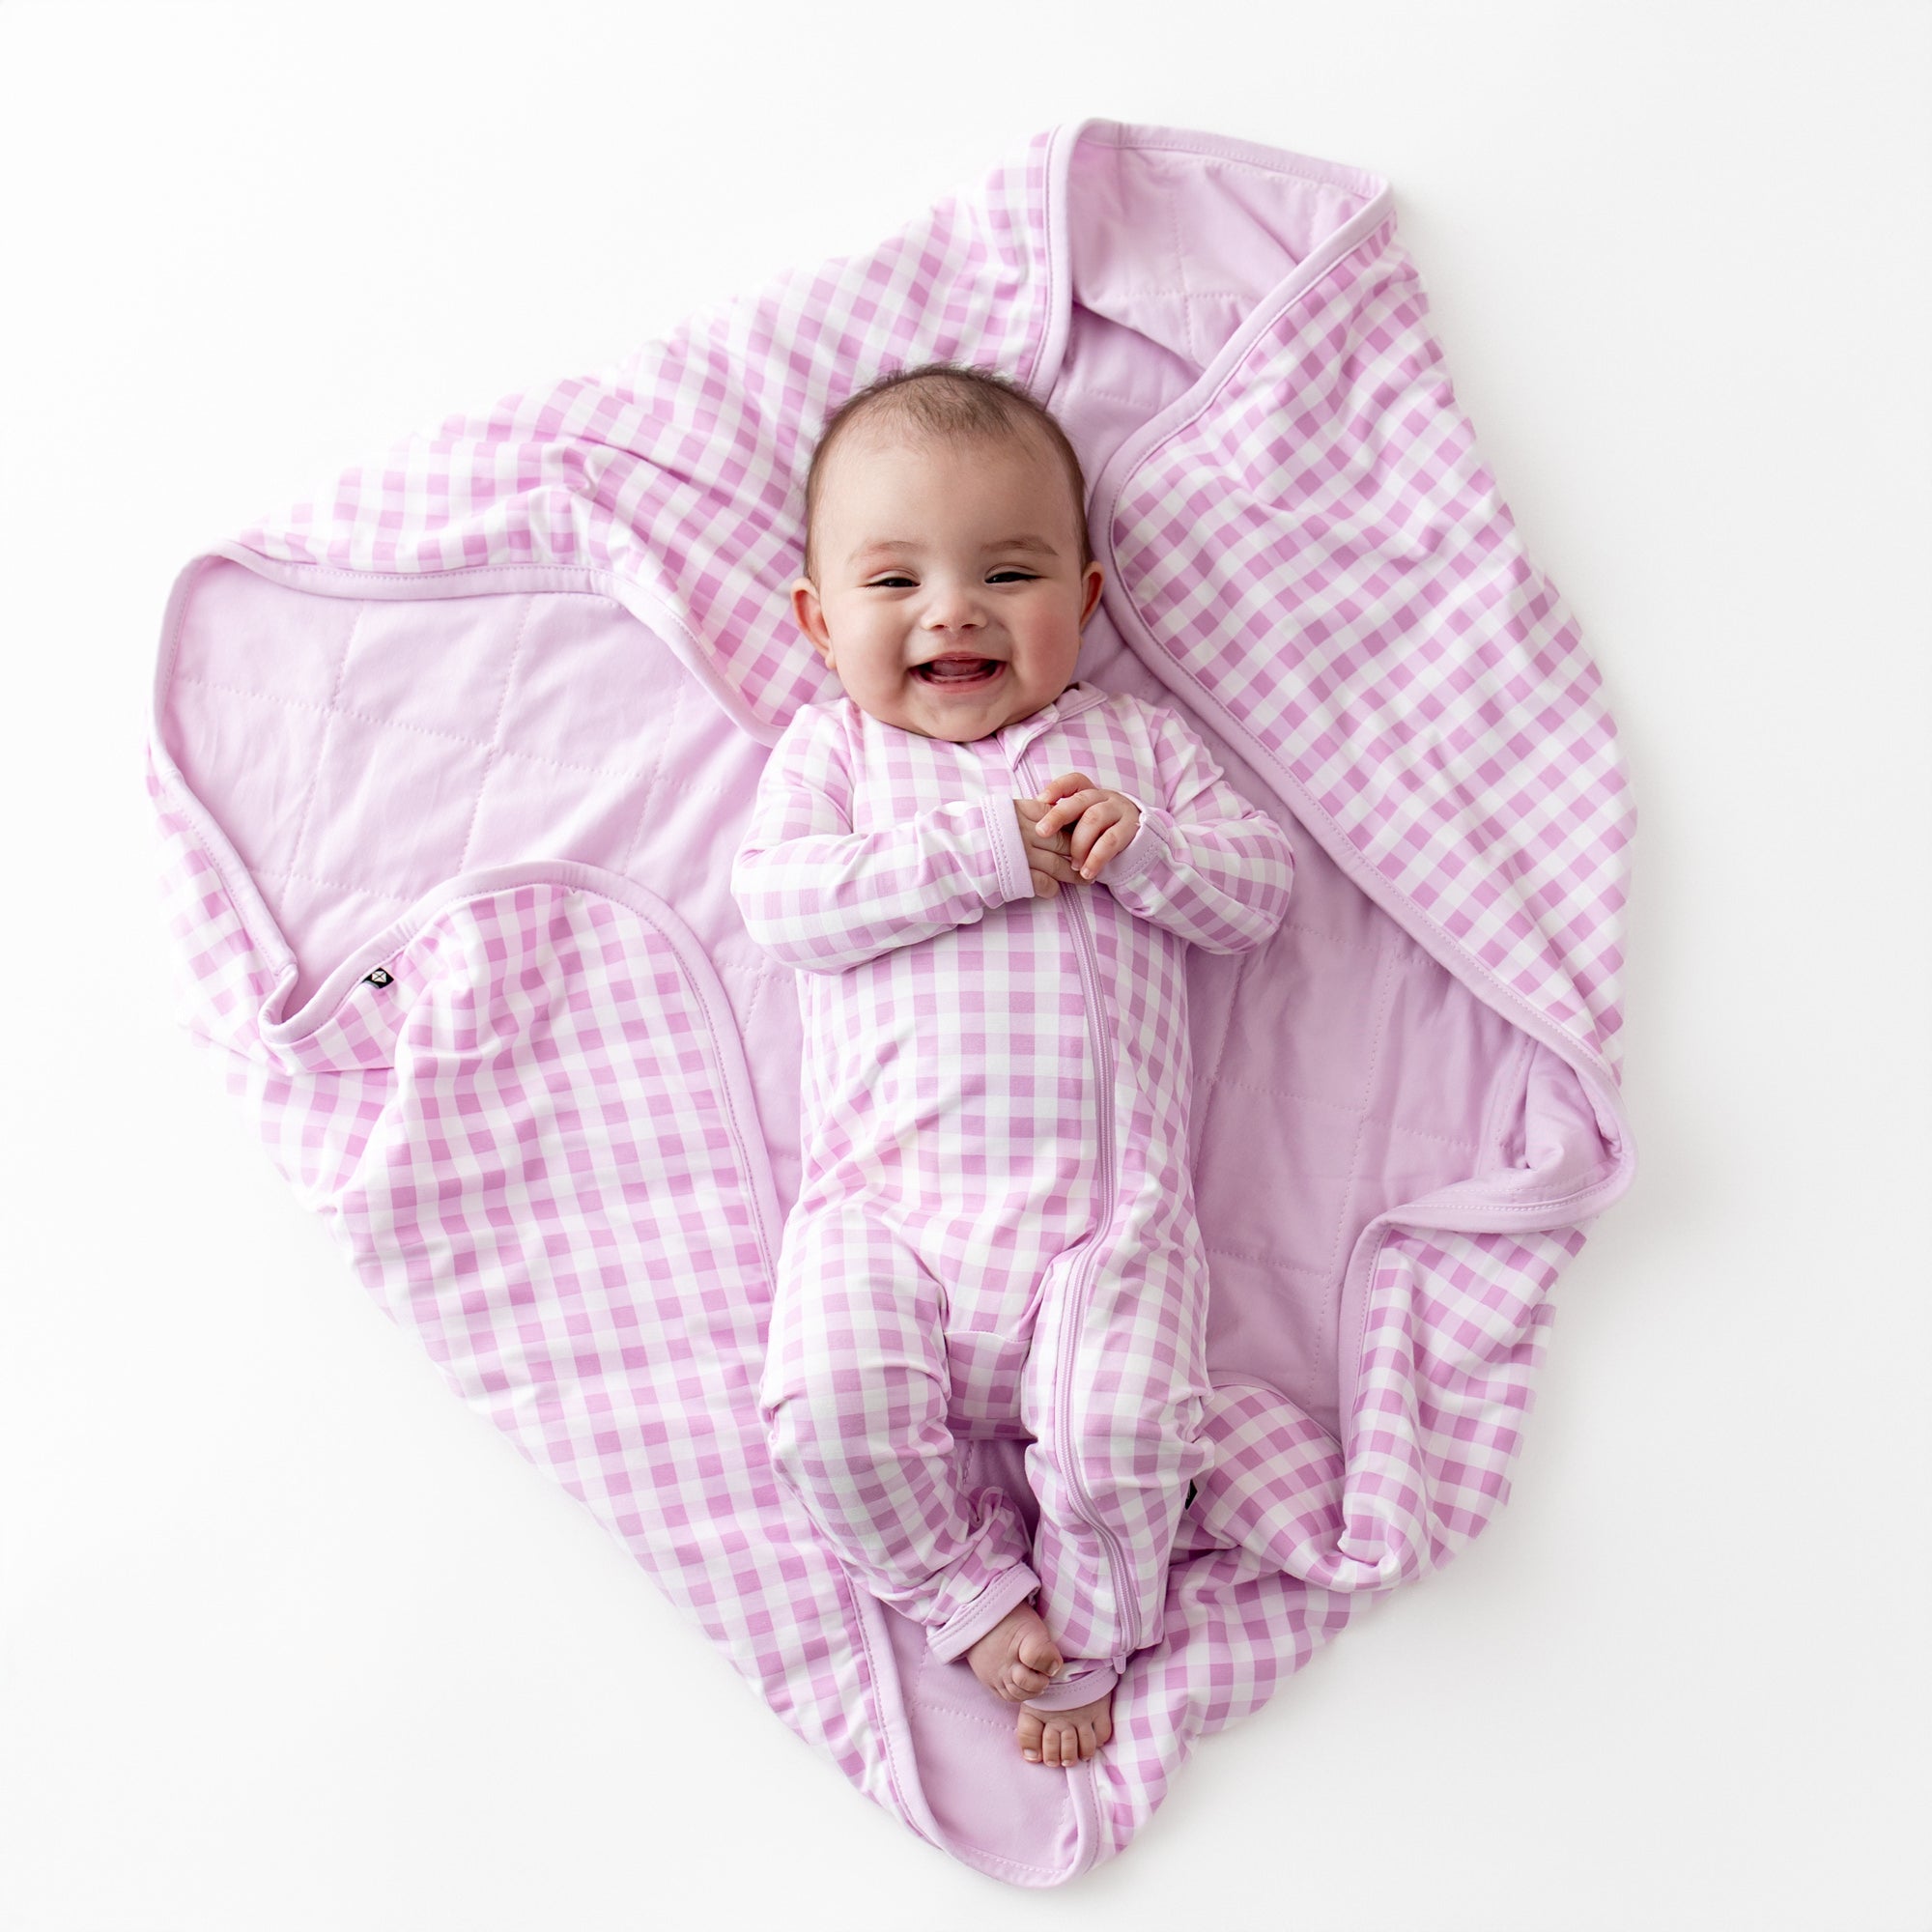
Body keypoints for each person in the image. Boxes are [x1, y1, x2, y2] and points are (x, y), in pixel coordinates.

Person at [729, 362, 1294, 1769]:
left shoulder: (1137, 750)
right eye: (894, 581)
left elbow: (1259, 897)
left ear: (1089, 600)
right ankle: (966, 1594)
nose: (954, 610)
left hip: (1103, 1226)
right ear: (817, 619)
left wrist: (1147, 850)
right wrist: (980, 855)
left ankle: (1097, 1627)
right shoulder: (836, 755)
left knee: (1130, 1433)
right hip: (885, 1213)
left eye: (1009, 570)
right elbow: (783, 904)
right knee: (824, 1409)